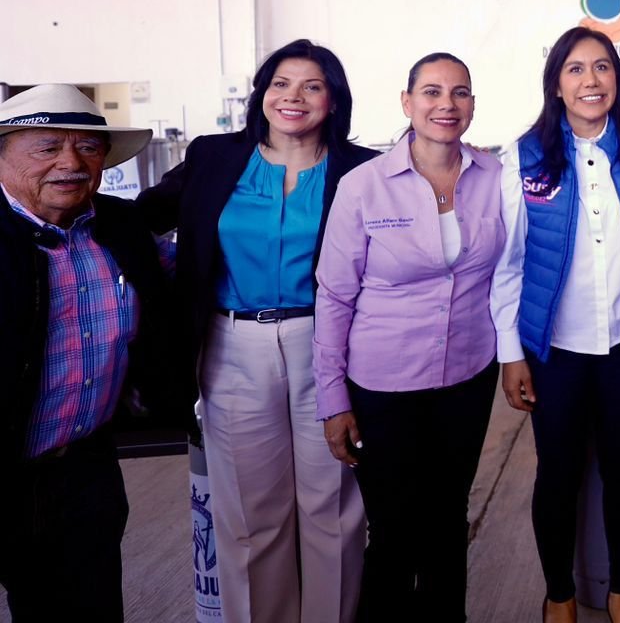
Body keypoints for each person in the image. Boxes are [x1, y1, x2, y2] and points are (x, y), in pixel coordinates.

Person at [138, 40, 373, 623]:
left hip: (330, 346)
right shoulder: (216, 158)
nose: (293, 97)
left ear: (334, 99)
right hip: (232, 345)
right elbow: (141, 217)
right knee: (248, 515)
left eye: (311, 86)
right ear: (262, 94)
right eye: (280, 83)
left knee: (334, 506)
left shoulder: (362, 169)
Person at [315, 53, 506, 621]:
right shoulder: (364, 186)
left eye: (460, 92)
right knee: (395, 528)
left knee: (450, 517)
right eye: (431, 92)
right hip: (382, 385)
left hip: (468, 377)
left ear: (472, 104)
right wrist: (333, 399)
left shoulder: (496, 178)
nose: (446, 104)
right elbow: (333, 296)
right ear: (407, 103)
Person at [492, 27, 620, 623]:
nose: (590, 81)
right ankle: (558, 595)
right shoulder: (524, 156)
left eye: (601, 68)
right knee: (558, 475)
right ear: (557, 84)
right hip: (554, 351)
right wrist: (511, 353)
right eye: (575, 70)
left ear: (617, 77)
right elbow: (508, 263)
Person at [0, 84, 191, 621]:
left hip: (85, 470)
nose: (71, 162)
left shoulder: (119, 224)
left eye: (88, 147)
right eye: (46, 147)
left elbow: (191, 276)